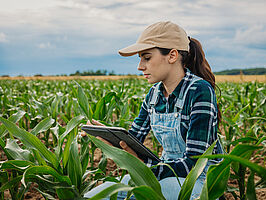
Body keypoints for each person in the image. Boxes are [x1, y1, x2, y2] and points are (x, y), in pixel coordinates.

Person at [84, 21, 223, 200]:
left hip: (199, 184)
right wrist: (111, 139)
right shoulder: (154, 95)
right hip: (163, 176)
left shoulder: (199, 91)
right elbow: (134, 140)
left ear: (172, 55)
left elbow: (195, 165)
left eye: (147, 58)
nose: (140, 66)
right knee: (94, 196)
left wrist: (146, 167)